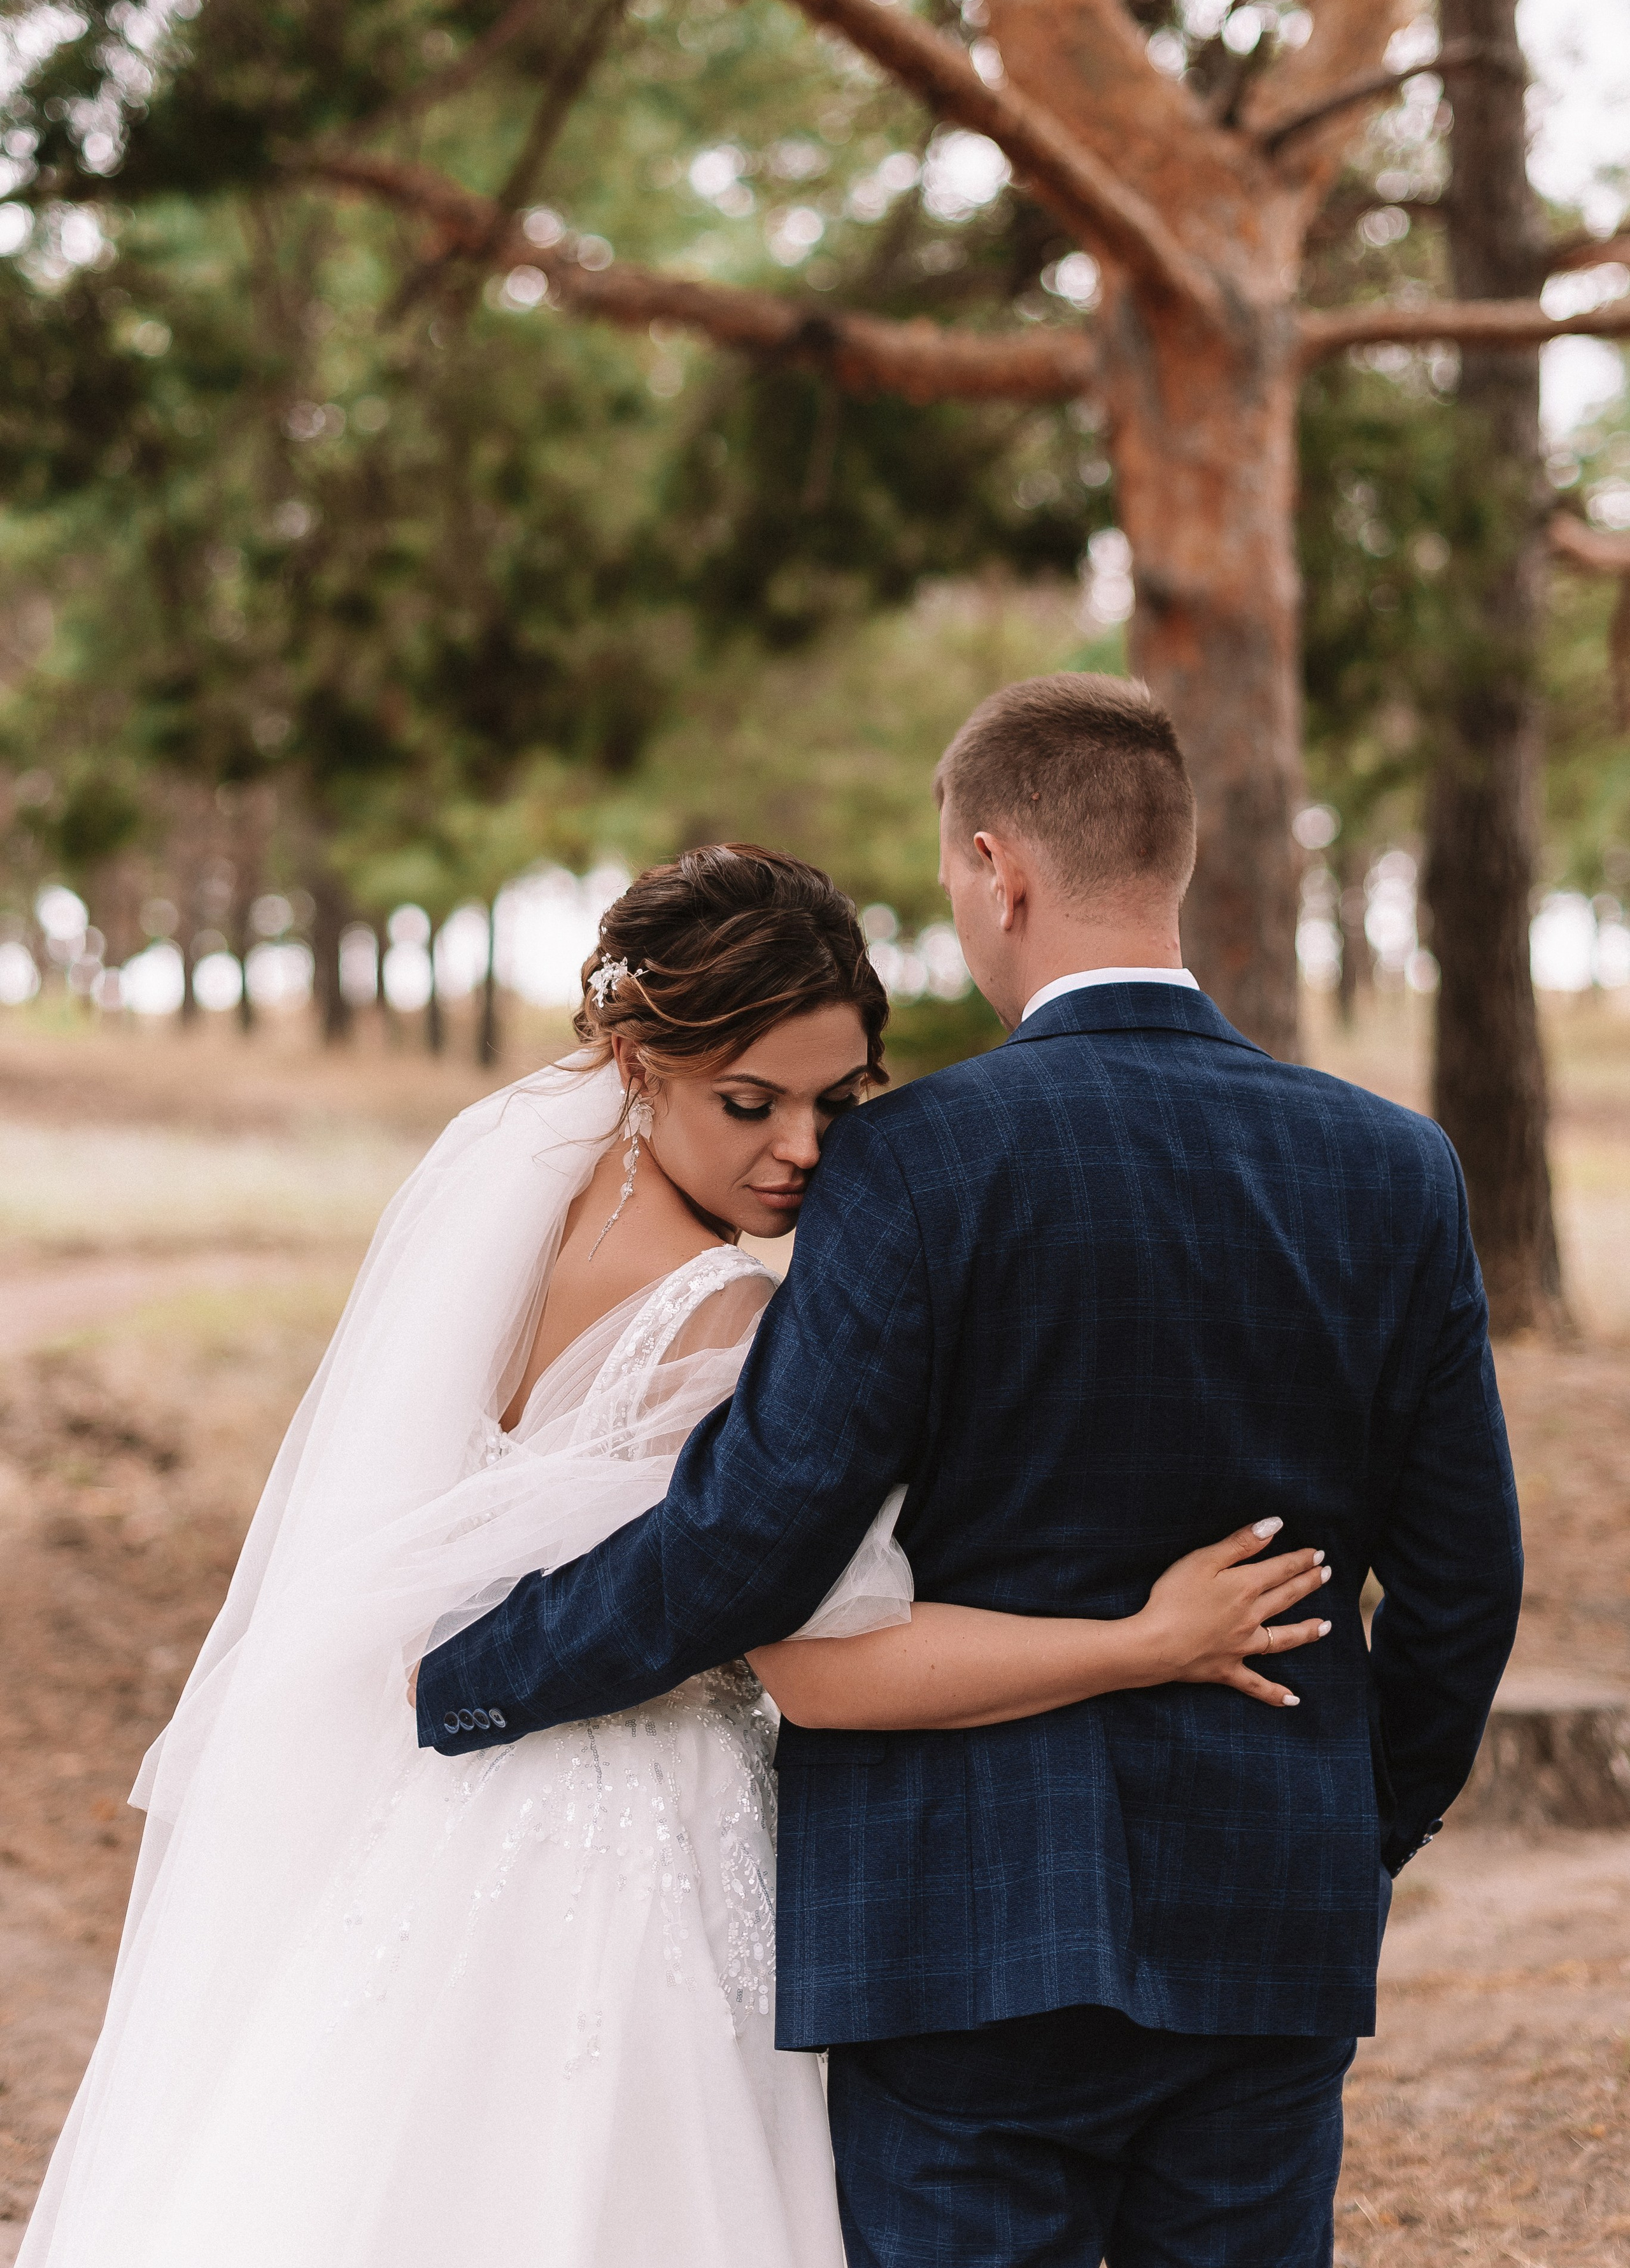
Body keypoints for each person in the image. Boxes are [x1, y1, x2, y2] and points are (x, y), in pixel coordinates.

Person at [19, 840, 1329, 2268]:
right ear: (641, 1065)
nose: (804, 1150)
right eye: (750, 1104)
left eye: (839, 1101)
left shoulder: (511, 1245)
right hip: (645, 1846)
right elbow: (825, 1671)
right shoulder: (727, 1320)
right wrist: (1145, 1642)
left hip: (450, 1821)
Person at [422, 677, 1524, 2268]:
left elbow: (752, 1540)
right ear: (1171, 858)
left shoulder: (906, 1162)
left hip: (954, 1927)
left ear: (996, 869)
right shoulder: (1393, 1167)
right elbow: (1462, 1586)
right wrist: (1352, 1831)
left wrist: (472, 1676)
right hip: (1267, 1917)